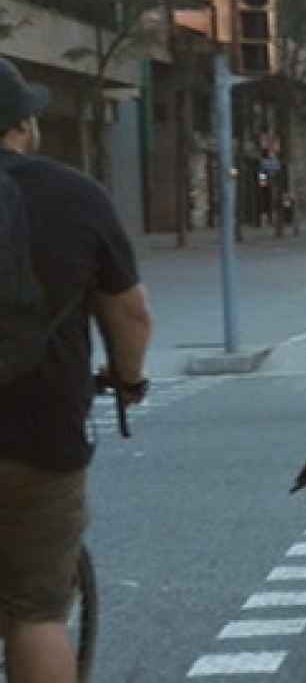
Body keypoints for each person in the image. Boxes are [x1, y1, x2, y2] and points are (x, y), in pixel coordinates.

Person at [0, 57, 152, 683]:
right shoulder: (75, 195)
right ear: (23, 126)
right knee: (37, 612)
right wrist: (128, 377)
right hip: (39, 435)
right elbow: (131, 314)